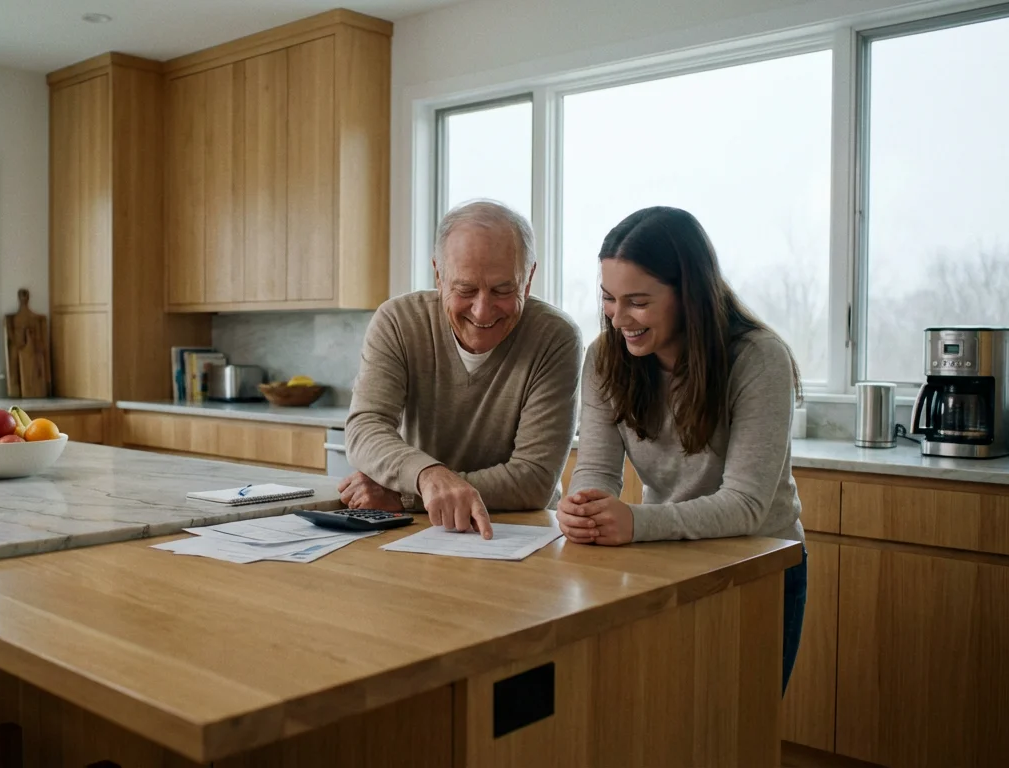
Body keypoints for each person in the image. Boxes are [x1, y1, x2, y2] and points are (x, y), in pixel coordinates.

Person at [560, 206, 808, 692]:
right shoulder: (604, 357)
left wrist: (635, 522)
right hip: (665, 562)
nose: (618, 318)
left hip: (760, 567)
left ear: (688, 294)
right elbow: (595, 469)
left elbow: (748, 505)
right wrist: (584, 508)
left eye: (638, 301)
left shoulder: (758, 359)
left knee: (739, 739)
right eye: (609, 299)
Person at [341, 200, 583, 539]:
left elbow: (534, 479)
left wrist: (407, 492)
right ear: (439, 276)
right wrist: (429, 477)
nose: (483, 312)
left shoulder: (555, 337)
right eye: (465, 290)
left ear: (528, 280)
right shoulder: (398, 321)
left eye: (503, 290)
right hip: (416, 530)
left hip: (519, 532)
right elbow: (365, 428)